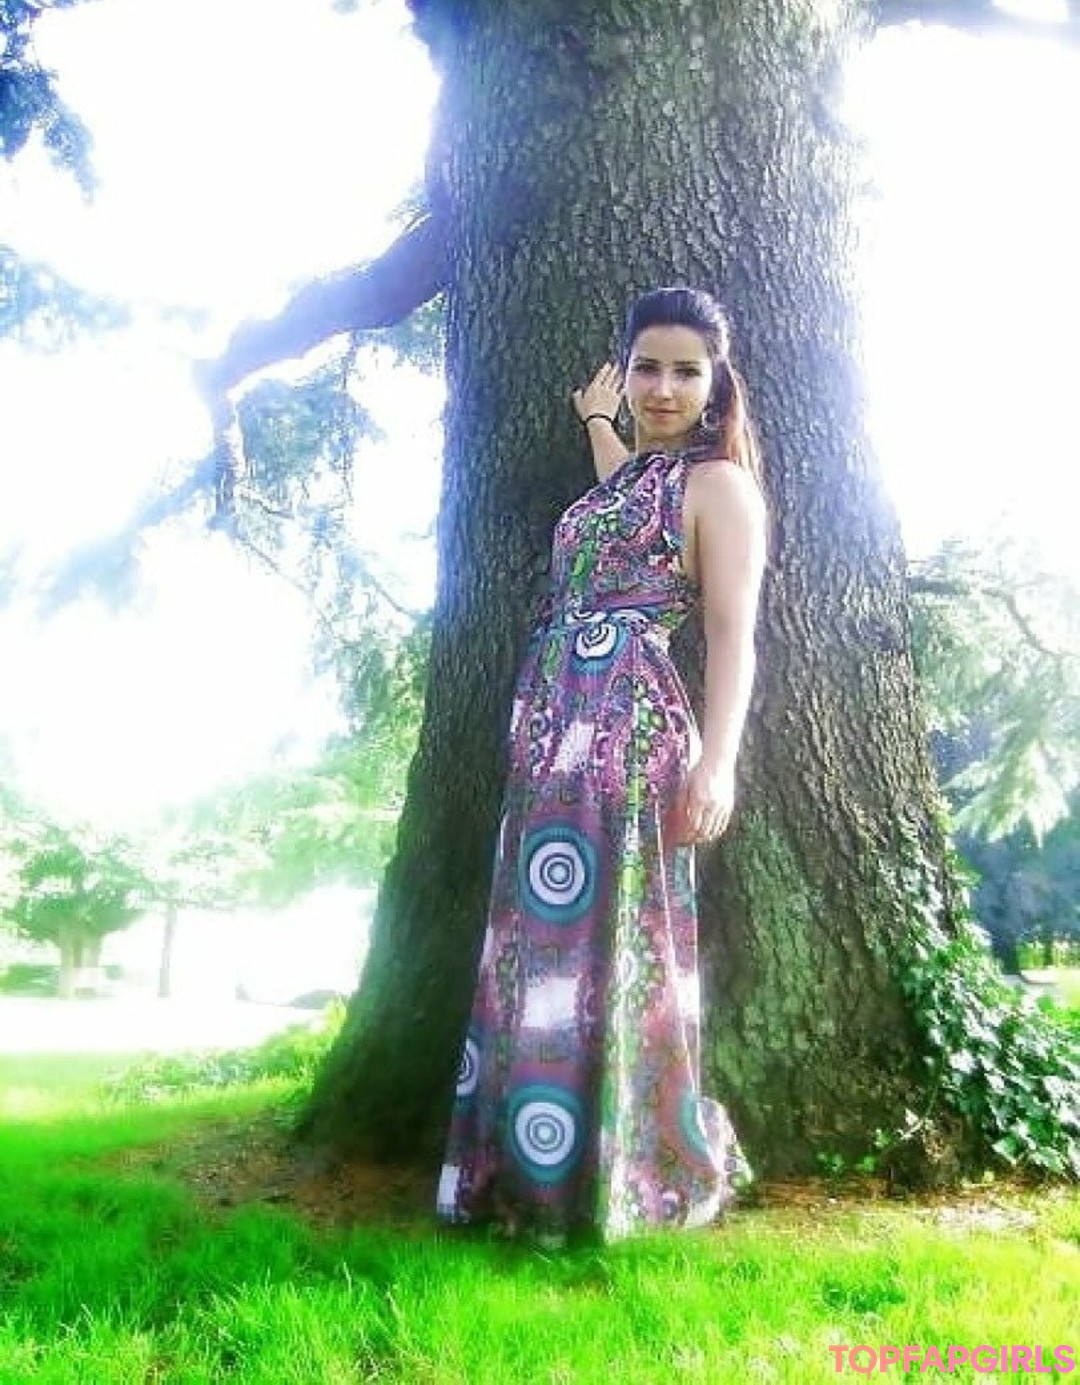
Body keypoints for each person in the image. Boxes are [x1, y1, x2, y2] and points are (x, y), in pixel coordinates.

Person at [436, 286, 767, 1245]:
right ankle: (535, 1159)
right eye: (646, 367)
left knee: (613, 946)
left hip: (629, 728)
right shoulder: (629, 482)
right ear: (625, 374)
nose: (664, 388)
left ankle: (618, 1171)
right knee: (545, 944)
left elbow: (733, 635)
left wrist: (719, 762)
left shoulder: (720, 486)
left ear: (714, 382)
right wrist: (594, 420)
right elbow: (622, 493)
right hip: (551, 732)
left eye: (685, 371)